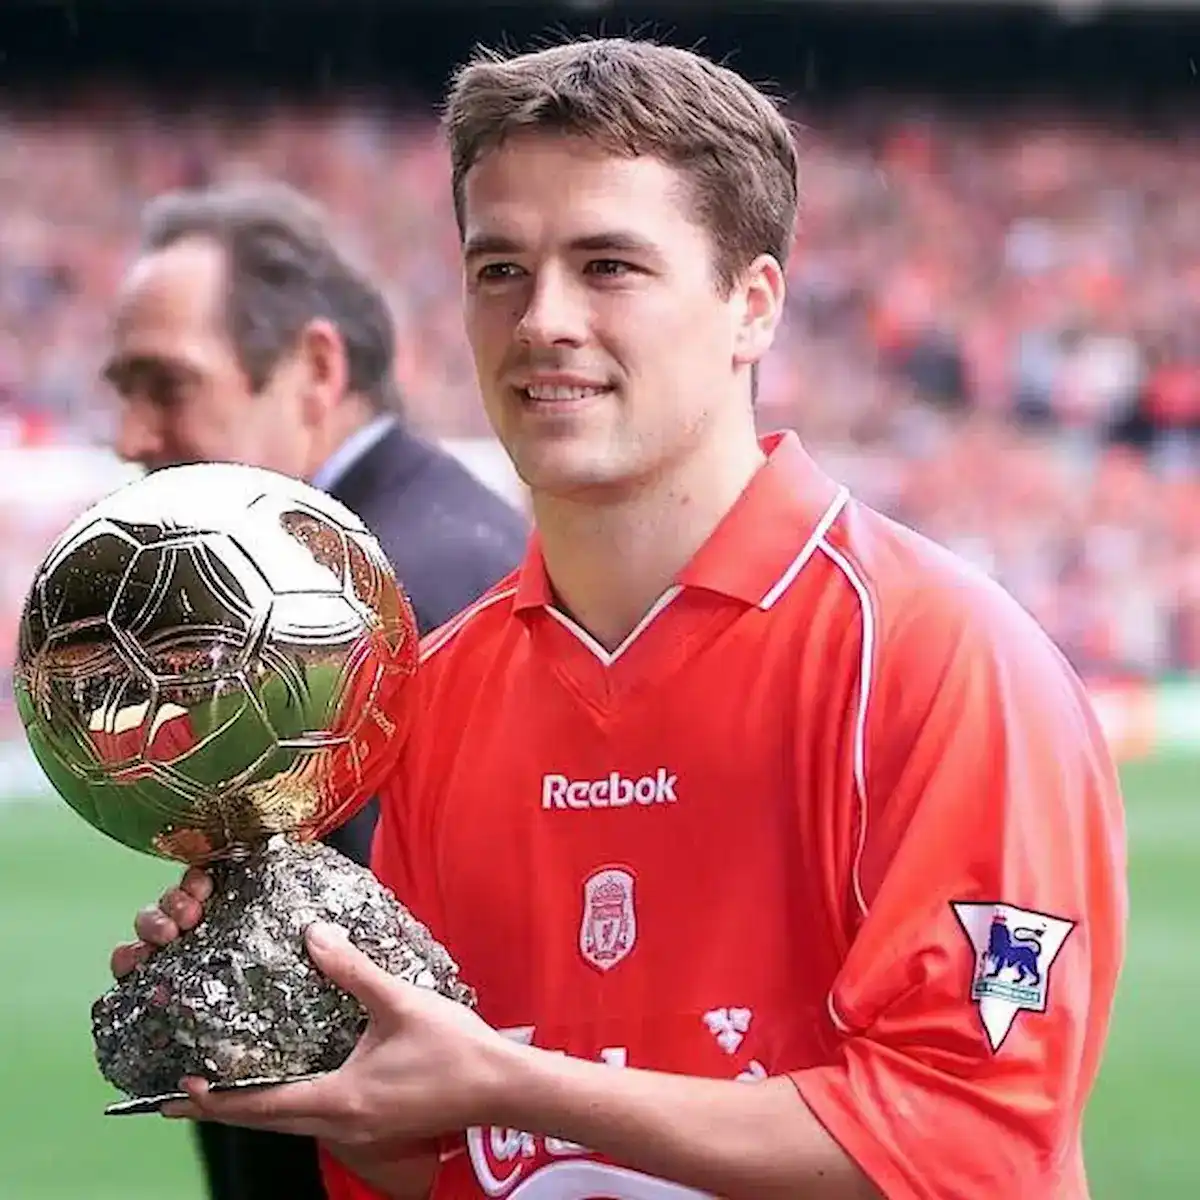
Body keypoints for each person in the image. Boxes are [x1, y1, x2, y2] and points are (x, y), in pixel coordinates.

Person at [111, 39, 1128, 1200]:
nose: (542, 318)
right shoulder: (432, 694)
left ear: (753, 305)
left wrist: (516, 1085)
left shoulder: (939, 661)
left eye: (608, 266)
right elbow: (449, 1164)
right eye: (500, 269)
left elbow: (973, 1142)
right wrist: (284, 1049)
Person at [102, 180, 527, 1200]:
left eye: (167, 384)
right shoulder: (414, 545)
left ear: (315, 371)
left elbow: (361, 996)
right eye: (124, 388)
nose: (131, 435)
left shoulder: (369, 598)